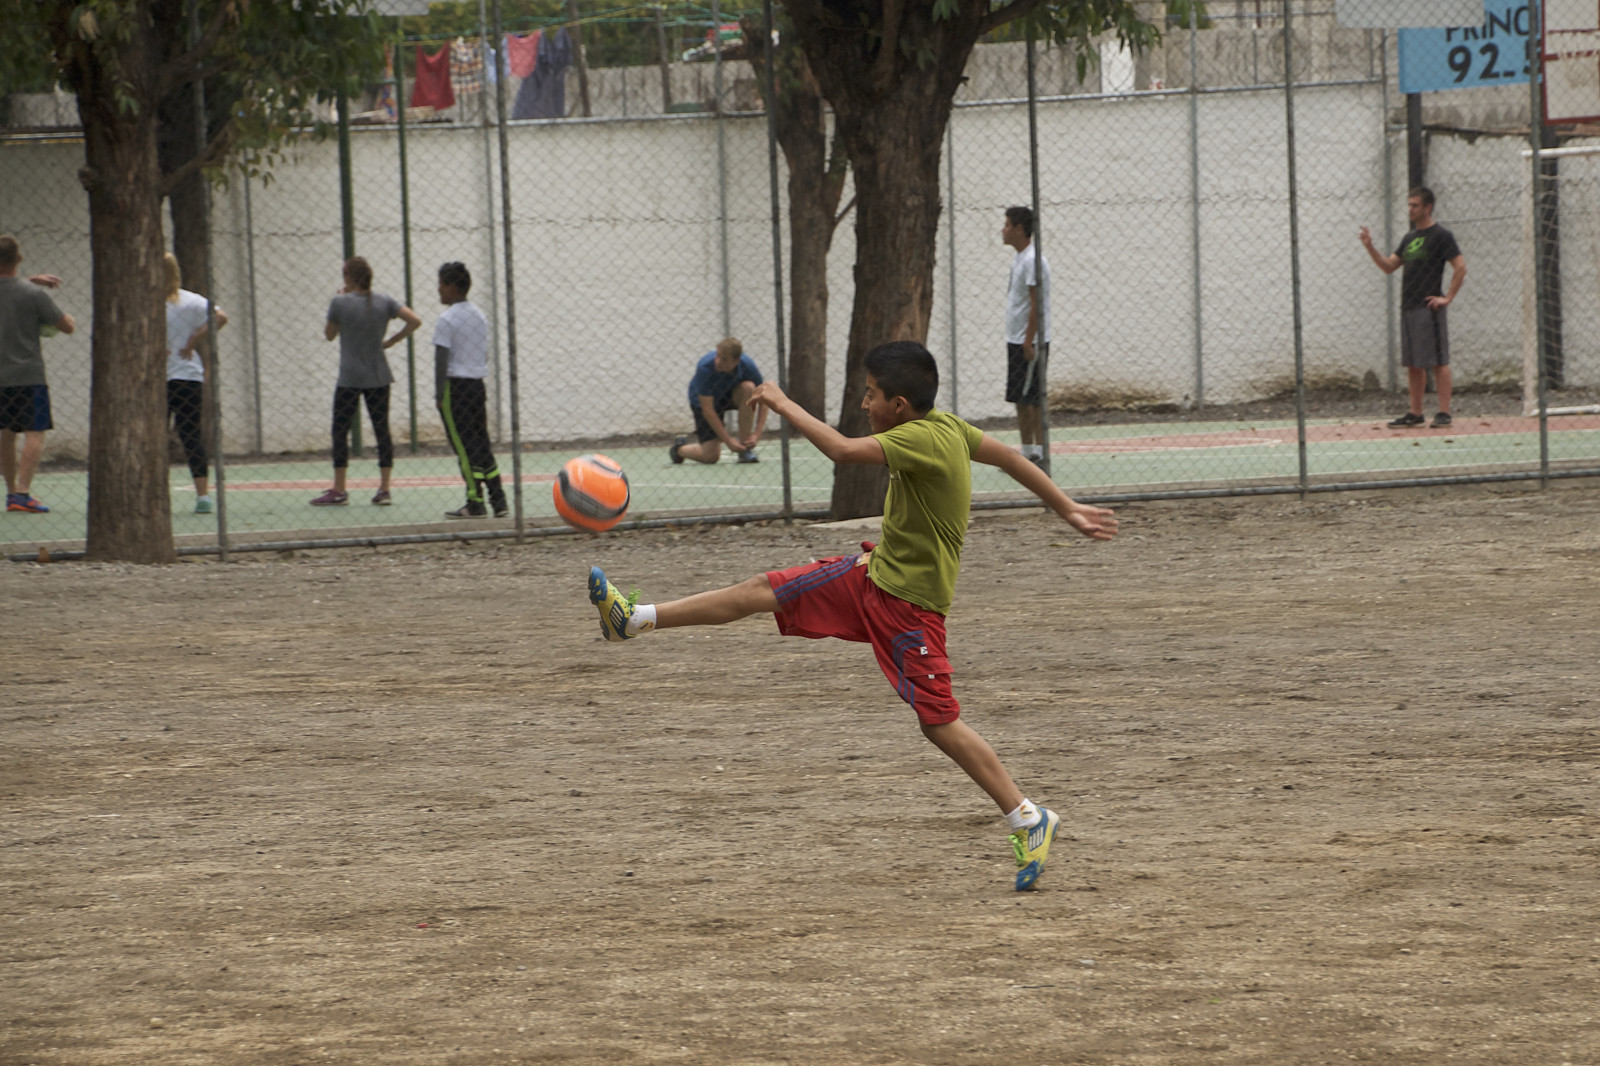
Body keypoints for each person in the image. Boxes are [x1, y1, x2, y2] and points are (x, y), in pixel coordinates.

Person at [590, 341, 1118, 891]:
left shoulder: (919, 438)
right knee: (760, 589)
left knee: (938, 721)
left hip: (909, 609)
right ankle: (633, 618)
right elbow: (1009, 457)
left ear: (901, 405)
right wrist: (1067, 508)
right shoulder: (949, 428)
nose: (865, 404)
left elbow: (842, 451)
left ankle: (1029, 817)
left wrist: (780, 400)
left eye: (871, 396)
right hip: (870, 577)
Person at [311, 257, 421, 507]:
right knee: (382, 430)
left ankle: (339, 488)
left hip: (349, 377)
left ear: (349, 276)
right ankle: (384, 488)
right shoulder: (385, 301)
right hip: (378, 375)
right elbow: (414, 320)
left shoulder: (340, 301)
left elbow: (329, 335)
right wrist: (391, 341)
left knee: (340, 430)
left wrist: (339, 307)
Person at [1360, 186, 1466, 429]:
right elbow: (1388, 266)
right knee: (1413, 364)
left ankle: (1443, 412)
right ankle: (1415, 412)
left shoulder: (1441, 236)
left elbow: (1460, 267)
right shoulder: (1409, 238)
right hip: (1408, 307)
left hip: (1429, 308)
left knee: (1439, 361)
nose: (1410, 209)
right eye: (1409, 205)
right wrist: (1370, 247)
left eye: (1415, 205)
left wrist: (1447, 298)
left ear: (1427, 207)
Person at [0, 235, 74, 514]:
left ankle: (10, 493)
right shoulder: (33, 295)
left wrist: (29, 279)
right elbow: (65, 326)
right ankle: (23, 492)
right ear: (18, 258)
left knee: (6, 432)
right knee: (35, 431)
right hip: (28, 374)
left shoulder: (26, 289)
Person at [432, 260, 507, 519]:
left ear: (453, 287)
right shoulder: (479, 316)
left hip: (456, 387)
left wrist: (439, 393)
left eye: (441, 284)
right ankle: (499, 499)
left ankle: (474, 502)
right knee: (481, 442)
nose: (438, 290)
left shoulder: (446, 319)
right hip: (477, 385)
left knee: (463, 446)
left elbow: (441, 359)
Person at [162, 253, 228, 514]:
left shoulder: (175, 301)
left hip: (175, 376)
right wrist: (193, 339)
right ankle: (203, 496)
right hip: (188, 377)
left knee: (168, 435)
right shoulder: (191, 301)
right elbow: (220, 316)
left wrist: (192, 341)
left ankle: (201, 496)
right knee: (191, 435)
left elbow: (220, 317)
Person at [1002, 205, 1051, 465]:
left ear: (1020, 229)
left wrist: (1029, 340)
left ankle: (1040, 456)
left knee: (1032, 399)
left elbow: (1036, 303)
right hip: (1016, 339)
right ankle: (1028, 452)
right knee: (1020, 398)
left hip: (1028, 341)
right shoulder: (1020, 258)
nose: (1003, 230)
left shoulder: (1034, 260)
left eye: (1007, 225)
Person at [669, 337, 768, 465]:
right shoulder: (705, 367)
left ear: (736, 361)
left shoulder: (747, 366)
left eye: (724, 359)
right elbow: (707, 409)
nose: (718, 361)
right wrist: (729, 441)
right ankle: (679, 449)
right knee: (710, 457)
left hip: (729, 395)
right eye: (718, 355)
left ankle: (745, 449)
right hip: (706, 403)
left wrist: (757, 434)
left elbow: (764, 400)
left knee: (749, 388)